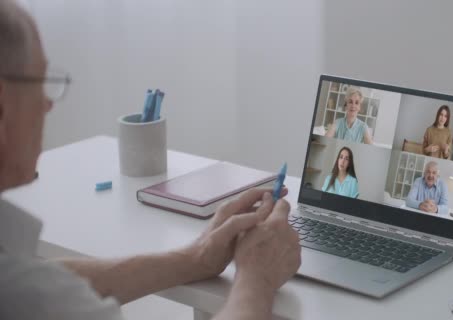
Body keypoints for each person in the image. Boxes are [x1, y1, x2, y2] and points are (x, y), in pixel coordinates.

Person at [0, 1, 300, 319]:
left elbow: (46, 286)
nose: (48, 105)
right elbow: (33, 292)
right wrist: (256, 278)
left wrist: (194, 258)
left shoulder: (19, 282)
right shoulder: (18, 294)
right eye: (40, 83)